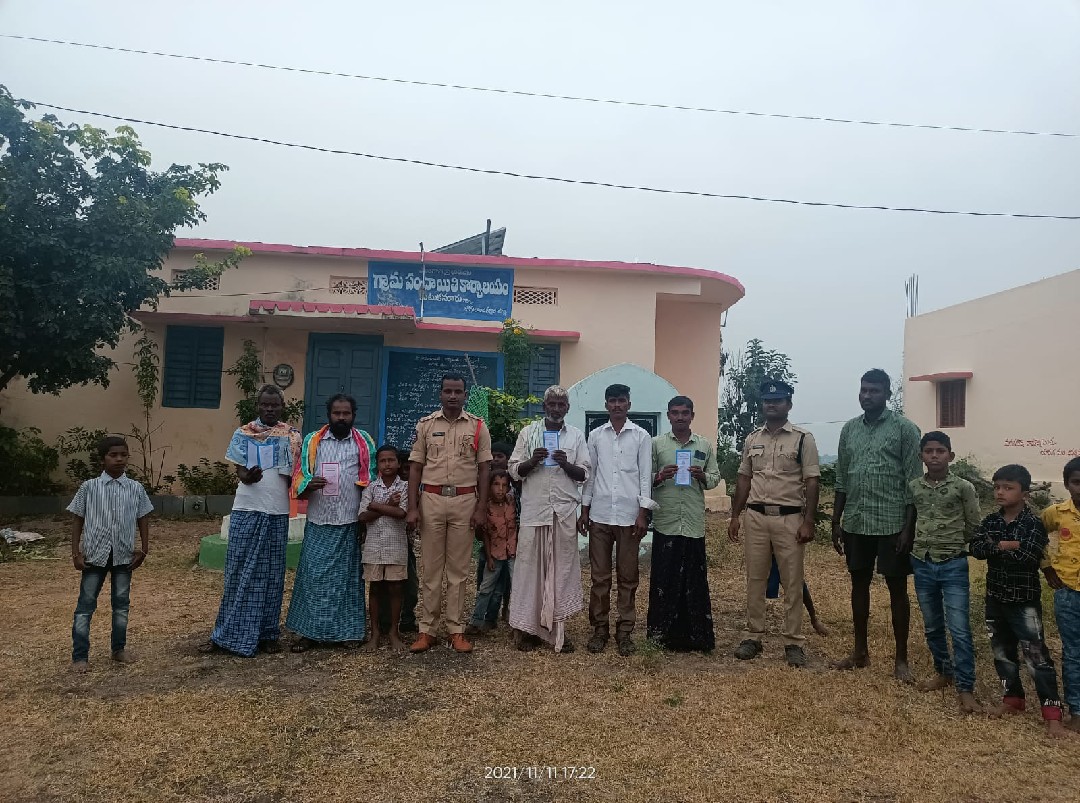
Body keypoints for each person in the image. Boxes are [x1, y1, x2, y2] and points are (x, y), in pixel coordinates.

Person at [831, 369, 921, 682]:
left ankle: (901, 660)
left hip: (892, 523)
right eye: (863, 390)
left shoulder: (905, 429)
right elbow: (842, 478)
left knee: (897, 589)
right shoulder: (849, 429)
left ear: (887, 394)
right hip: (856, 520)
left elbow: (913, 482)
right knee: (859, 584)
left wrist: (908, 528)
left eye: (874, 391)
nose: (867, 396)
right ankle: (860, 652)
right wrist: (836, 520)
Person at [970, 464, 1070, 738]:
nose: (1000, 492)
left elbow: (1027, 557)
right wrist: (1009, 544)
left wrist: (998, 546)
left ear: (1025, 493)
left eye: (1008, 487)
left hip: (1024, 601)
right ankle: (1012, 699)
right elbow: (976, 548)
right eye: (997, 487)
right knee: (1002, 652)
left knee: (1037, 657)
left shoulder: (1033, 523)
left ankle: (1052, 714)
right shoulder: (991, 520)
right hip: (995, 597)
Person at [202, 386, 302, 657]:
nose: (269, 409)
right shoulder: (243, 433)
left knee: (272, 575)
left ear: (282, 407)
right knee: (238, 572)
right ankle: (228, 633)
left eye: (274, 405)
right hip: (247, 508)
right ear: (257, 406)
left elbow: (297, 474)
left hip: (278, 512)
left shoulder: (292, 436)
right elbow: (240, 470)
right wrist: (247, 476)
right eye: (265, 404)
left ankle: (267, 635)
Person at [728, 380, 820, 667]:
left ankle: (793, 642)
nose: (772, 404)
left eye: (778, 400)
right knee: (755, 578)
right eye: (767, 400)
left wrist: (809, 521)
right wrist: (735, 515)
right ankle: (753, 636)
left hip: (789, 518)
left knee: (792, 581)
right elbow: (744, 478)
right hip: (755, 516)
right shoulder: (752, 438)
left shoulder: (803, 438)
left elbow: (812, 481)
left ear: (788, 404)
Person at [406, 373, 492, 654]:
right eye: (447, 391)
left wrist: (481, 508)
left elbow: (485, 470)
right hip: (431, 499)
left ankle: (456, 630)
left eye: (457, 391)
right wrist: (412, 507)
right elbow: (415, 468)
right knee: (430, 569)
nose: (452, 396)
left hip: (465, 501)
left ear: (465, 395)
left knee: (458, 570)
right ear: (440, 394)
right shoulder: (426, 425)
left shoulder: (478, 427)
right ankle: (427, 630)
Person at [286, 394, 376, 652]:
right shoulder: (313, 441)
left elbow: (370, 479)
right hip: (319, 520)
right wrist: (308, 484)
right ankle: (309, 633)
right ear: (329, 415)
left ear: (353, 415)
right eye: (337, 413)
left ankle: (348, 632)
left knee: (348, 581)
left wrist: (365, 520)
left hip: (349, 521)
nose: (341, 418)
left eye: (346, 413)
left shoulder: (363, 442)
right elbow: (299, 475)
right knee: (313, 578)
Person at [904, 431, 982, 713]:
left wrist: (960, 547)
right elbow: (911, 518)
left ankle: (966, 688)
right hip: (922, 562)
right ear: (921, 456)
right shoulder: (914, 486)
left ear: (951, 455)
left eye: (940, 451)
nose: (934, 456)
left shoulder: (963, 487)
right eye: (929, 451)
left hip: (953, 564)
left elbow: (974, 524)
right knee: (932, 625)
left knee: (959, 628)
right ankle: (944, 671)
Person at [509, 385, 590, 652]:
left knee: (560, 573)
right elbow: (514, 471)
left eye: (561, 404)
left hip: (563, 513)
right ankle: (527, 631)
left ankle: (557, 632)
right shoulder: (528, 433)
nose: (556, 409)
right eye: (552, 404)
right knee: (529, 572)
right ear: (544, 406)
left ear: (567, 408)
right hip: (535, 512)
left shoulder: (576, 436)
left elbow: (584, 474)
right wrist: (533, 461)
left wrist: (565, 464)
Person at [579, 383, 656, 656]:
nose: (617, 405)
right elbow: (590, 476)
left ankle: (624, 632)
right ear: (606, 405)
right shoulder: (596, 435)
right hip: (600, 515)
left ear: (629, 404)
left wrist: (642, 513)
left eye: (621, 400)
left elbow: (645, 477)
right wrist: (584, 510)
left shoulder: (641, 436)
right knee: (599, 577)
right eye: (612, 401)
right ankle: (599, 629)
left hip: (629, 517)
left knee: (628, 577)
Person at [68, 436, 153, 672]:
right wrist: (76, 552)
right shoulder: (89, 487)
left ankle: (118, 649)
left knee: (121, 605)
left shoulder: (135, 488)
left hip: (124, 557)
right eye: (113, 455)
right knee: (85, 606)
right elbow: (77, 519)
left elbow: (143, 518)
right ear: (102, 459)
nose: (118, 459)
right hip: (94, 557)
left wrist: (144, 549)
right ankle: (80, 656)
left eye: (123, 455)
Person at [646, 395, 720, 652]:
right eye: (675, 412)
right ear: (668, 415)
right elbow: (643, 479)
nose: (680, 417)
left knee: (694, 580)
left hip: (692, 522)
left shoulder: (704, 445)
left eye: (684, 413)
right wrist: (659, 476)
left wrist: (703, 476)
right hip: (666, 521)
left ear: (692, 416)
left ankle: (697, 637)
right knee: (664, 579)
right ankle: (661, 636)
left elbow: (715, 477)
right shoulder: (656, 444)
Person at [1042, 457, 1080, 732]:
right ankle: (1077, 709)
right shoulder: (1056, 513)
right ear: (1067, 485)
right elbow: (1035, 534)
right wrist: (1047, 568)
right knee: (1073, 652)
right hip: (1068, 592)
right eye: (1077, 482)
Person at [360, 445, 410, 651]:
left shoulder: (405, 487)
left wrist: (377, 506)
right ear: (377, 464)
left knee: (396, 588)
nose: (387, 464)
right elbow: (363, 516)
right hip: (373, 547)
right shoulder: (371, 488)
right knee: (375, 588)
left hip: (396, 546)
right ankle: (375, 633)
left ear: (398, 463)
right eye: (383, 461)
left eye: (391, 460)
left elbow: (402, 513)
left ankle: (393, 632)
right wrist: (388, 505)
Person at [466, 470, 517, 635]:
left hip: (513, 553)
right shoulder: (486, 508)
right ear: (489, 487)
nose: (500, 489)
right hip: (495, 553)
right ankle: (476, 621)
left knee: (512, 588)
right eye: (496, 484)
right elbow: (486, 535)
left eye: (504, 485)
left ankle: (513, 623)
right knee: (486, 588)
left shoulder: (513, 502)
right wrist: (488, 557)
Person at [765, 559, 829, 636]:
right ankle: (755, 625)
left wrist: (814, 619)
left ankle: (814, 619)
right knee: (757, 584)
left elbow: (801, 587)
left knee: (796, 582)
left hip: (783, 554)